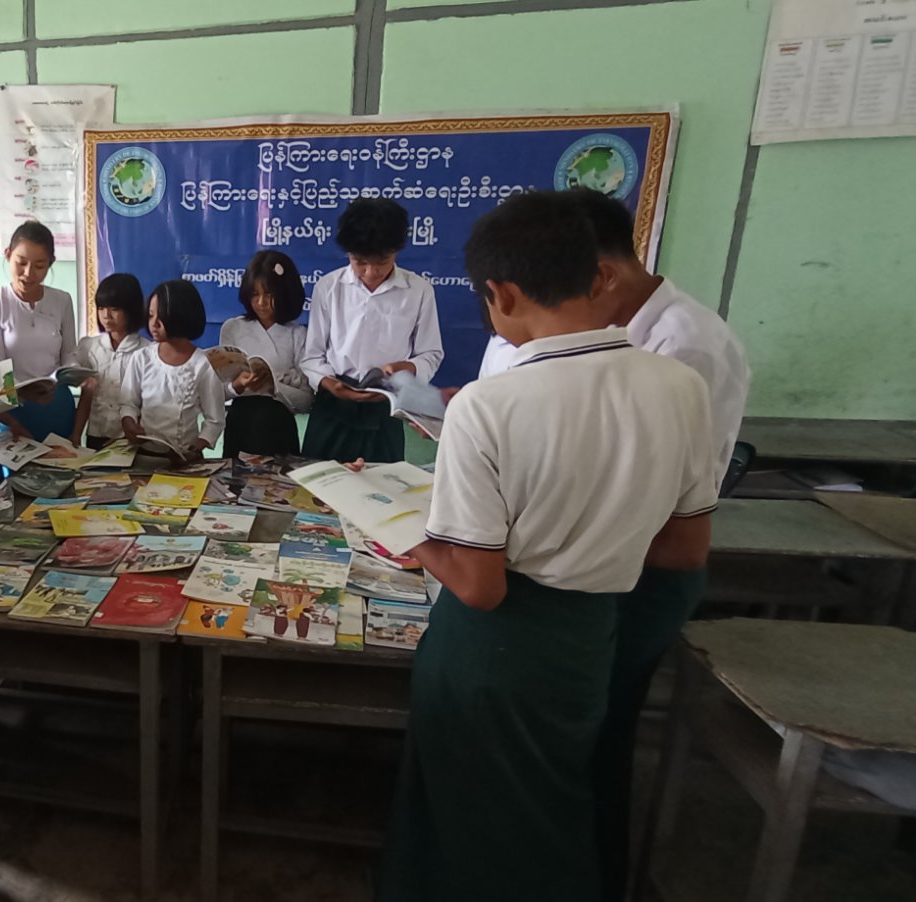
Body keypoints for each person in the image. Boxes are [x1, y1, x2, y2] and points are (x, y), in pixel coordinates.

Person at [381, 192, 717, 901]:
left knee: (469, 815)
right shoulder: (681, 386)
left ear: (499, 295)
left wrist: (407, 531)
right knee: (554, 805)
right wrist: (596, 539)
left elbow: (481, 586)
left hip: (494, 649)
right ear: (597, 276)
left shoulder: (487, 404)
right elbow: (686, 549)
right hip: (588, 638)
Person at [562, 188, 752, 901]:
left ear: (602, 276)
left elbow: (662, 500)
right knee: (587, 730)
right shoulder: (631, 329)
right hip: (613, 555)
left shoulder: (683, 344)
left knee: (600, 732)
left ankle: (598, 878)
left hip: (646, 565)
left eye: (562, 295)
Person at [299, 199, 442, 462]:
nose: (370, 272)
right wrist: (331, 384)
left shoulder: (418, 291)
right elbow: (312, 355)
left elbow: (431, 353)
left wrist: (407, 368)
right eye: (360, 262)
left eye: (381, 262)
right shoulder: (329, 287)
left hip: (385, 406)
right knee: (321, 481)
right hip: (334, 403)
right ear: (348, 253)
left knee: (383, 482)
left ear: (396, 251)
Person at [0, 221, 78, 441]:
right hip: (14, 408)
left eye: (39, 266)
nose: (28, 273)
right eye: (21, 263)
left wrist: (73, 373)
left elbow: (69, 353)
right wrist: (23, 392)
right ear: (8, 255)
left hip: (56, 402)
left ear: (51, 263)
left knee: (62, 458)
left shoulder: (62, 300)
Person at [119, 280, 226, 461]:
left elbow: (214, 420)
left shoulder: (203, 364)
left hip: (184, 458)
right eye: (150, 316)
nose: (154, 324)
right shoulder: (141, 358)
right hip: (144, 455)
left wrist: (196, 447)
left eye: (161, 317)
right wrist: (128, 422)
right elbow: (128, 403)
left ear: (181, 316)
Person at [219, 250, 313, 456]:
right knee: (236, 475)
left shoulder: (298, 334)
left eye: (269, 294)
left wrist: (274, 387)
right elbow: (219, 391)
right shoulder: (233, 328)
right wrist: (237, 386)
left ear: (285, 293)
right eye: (254, 294)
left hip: (278, 426)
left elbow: (306, 401)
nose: (261, 302)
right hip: (239, 423)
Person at [74, 273, 150, 449]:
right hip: (95, 434)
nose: (106, 315)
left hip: (129, 439)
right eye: (101, 308)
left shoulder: (147, 352)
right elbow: (86, 396)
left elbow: (147, 404)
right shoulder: (89, 347)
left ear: (131, 310)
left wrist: (127, 436)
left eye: (115, 309)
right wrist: (76, 434)